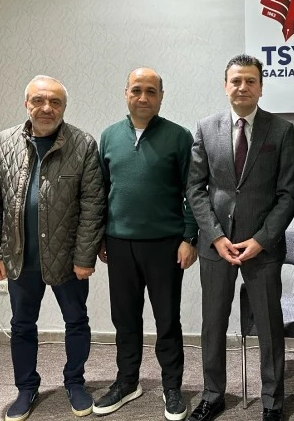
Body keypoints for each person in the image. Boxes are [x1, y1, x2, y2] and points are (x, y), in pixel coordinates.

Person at [0, 75, 106, 421]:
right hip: (20, 257)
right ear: (27, 104)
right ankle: (26, 388)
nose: (47, 108)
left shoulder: (83, 144)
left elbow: (93, 205)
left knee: (76, 321)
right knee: (22, 324)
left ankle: (75, 383)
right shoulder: (4, 142)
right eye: (38, 100)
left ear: (64, 107)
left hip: (68, 259)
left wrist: (84, 257)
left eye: (55, 102)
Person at [186, 54, 294, 421]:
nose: (243, 87)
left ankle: (272, 401)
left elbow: (289, 193)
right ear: (226, 86)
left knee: (268, 325)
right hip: (215, 247)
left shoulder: (280, 131)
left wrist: (262, 239)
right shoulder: (206, 127)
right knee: (213, 324)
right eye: (236, 80)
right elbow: (195, 189)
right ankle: (213, 395)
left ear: (261, 87)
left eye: (251, 81)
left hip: (262, 248)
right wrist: (215, 236)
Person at [93, 68, 198, 420]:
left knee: (167, 319)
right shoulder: (109, 137)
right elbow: (101, 192)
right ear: (125, 93)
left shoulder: (179, 137)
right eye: (136, 90)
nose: (143, 97)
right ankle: (127, 381)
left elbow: (193, 192)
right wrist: (101, 236)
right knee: (124, 317)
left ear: (161, 96)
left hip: (166, 245)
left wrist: (189, 237)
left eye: (151, 91)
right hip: (119, 243)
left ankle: (172, 386)